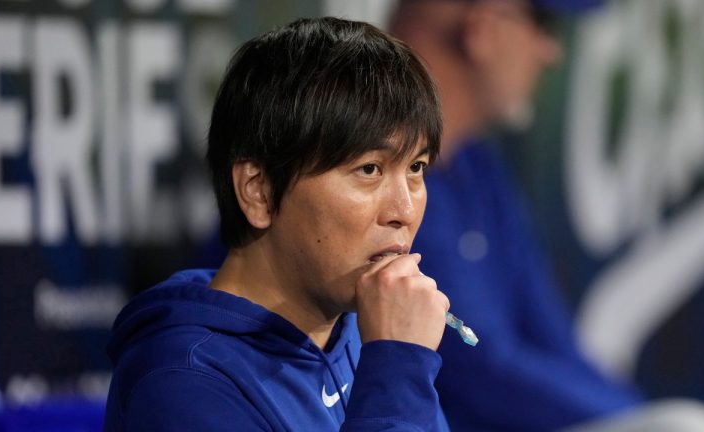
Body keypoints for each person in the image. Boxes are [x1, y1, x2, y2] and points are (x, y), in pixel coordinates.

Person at [103, 16, 450, 431]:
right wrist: (397, 367)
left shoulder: (369, 335)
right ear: (259, 192)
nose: (404, 210)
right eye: (369, 169)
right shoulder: (182, 383)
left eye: (416, 167)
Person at [389, 1, 643, 431]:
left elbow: (550, 336)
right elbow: (484, 367)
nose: (551, 52)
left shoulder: (474, 165)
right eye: (543, 23)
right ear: (481, 30)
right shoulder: (369, 179)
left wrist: (646, 418)